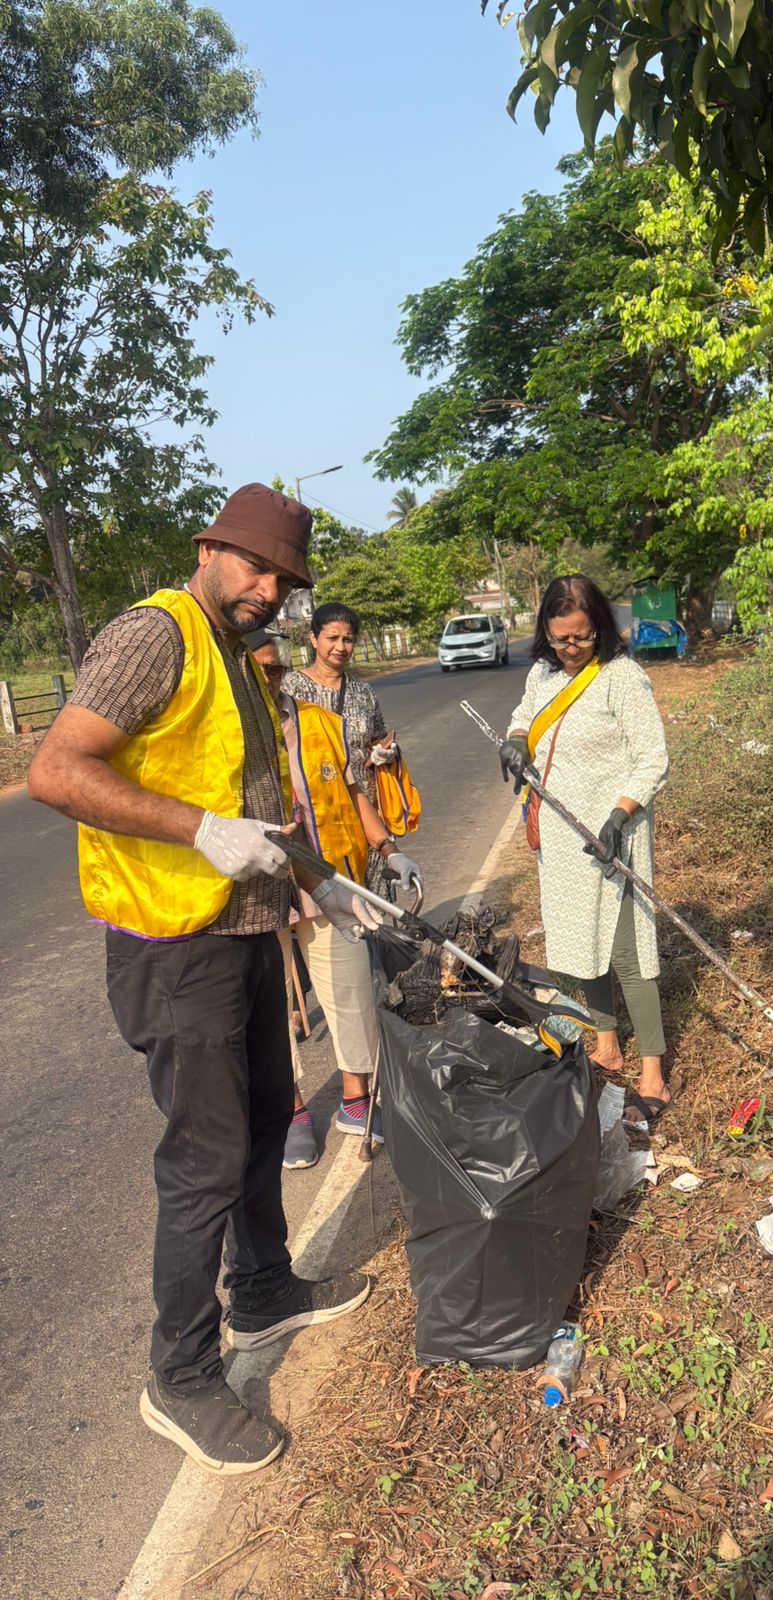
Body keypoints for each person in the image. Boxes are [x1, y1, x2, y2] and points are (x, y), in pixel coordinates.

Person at [27, 483, 377, 1476]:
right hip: (173, 944)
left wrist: (328, 886)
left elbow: (257, 803)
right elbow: (58, 770)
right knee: (205, 1160)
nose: (270, 589)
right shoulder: (158, 635)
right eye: (256, 565)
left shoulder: (238, 656)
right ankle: (179, 1377)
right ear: (210, 547)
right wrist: (197, 831)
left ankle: (263, 1283)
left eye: (286, 579)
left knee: (269, 1116)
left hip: (241, 931)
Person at [499, 575, 671, 1125]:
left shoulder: (623, 679)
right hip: (560, 833)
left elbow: (652, 758)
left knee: (626, 951)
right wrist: (516, 741)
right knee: (578, 942)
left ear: (600, 627)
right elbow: (525, 715)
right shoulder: (542, 672)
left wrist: (621, 813)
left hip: (611, 832)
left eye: (581, 637)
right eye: (560, 639)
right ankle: (606, 1043)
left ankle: (653, 1074)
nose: (570, 649)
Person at [248, 630, 421, 1166]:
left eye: (277, 669)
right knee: (272, 1008)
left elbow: (353, 792)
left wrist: (389, 850)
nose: (271, 680)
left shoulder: (319, 722)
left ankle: (355, 1100)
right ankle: (293, 1111)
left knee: (350, 993)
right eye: (260, 670)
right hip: (257, 892)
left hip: (328, 883)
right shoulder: (225, 732)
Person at [283, 603, 397, 894]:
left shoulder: (364, 693)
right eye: (332, 638)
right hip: (317, 815)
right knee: (329, 898)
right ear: (313, 639)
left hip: (365, 808)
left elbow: (379, 737)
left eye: (347, 639)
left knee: (375, 897)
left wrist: (383, 753)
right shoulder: (290, 689)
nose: (340, 647)